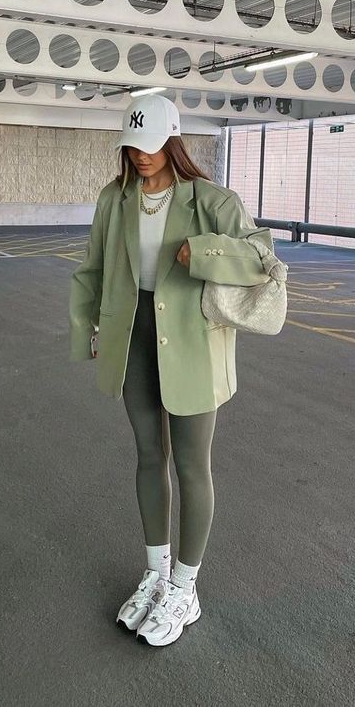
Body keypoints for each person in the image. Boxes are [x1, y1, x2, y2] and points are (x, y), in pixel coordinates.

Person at [69, 94, 274, 647]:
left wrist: (201, 254)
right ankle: (157, 575)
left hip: (193, 344)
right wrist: (88, 329)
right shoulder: (115, 198)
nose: (140, 154)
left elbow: (262, 259)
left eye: (151, 144)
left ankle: (186, 586)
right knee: (147, 455)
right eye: (132, 145)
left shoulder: (213, 200)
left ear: (174, 141)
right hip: (133, 339)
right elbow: (91, 268)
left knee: (191, 465)